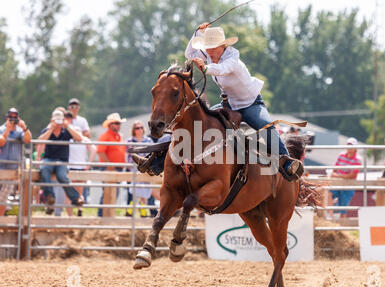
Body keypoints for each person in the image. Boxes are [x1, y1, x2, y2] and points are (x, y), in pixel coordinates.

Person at [132, 24, 303, 180]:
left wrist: (206, 68)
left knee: (266, 126)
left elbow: (223, 69)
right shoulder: (211, 55)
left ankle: (288, 163)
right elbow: (189, 54)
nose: (210, 52)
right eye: (208, 48)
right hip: (227, 105)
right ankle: (155, 163)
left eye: (213, 48)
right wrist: (197, 32)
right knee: (197, 125)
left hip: (251, 104)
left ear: (223, 46)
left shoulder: (233, 58)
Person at [38, 109, 84, 215]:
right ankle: (50, 197)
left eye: (60, 120)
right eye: (56, 120)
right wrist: (51, 128)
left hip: (62, 161)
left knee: (62, 176)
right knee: (44, 170)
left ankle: (76, 198)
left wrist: (67, 126)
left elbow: (79, 138)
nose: (58, 123)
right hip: (49, 159)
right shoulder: (47, 130)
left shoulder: (66, 131)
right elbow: (40, 140)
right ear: (52, 120)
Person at [0, 108, 32, 216]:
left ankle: (1, 222)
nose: (12, 119)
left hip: (12, 170)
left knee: (3, 199)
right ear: (6, 117)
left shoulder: (19, 131)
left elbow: (28, 139)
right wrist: (8, 130)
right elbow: (1, 142)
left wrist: (24, 127)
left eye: (14, 117)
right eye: (10, 117)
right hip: (1, 167)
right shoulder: (1, 129)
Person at [64, 111, 97, 217]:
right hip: (81, 167)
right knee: (79, 191)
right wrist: (88, 164)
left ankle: (70, 216)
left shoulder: (69, 138)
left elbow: (94, 150)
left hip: (70, 167)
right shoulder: (84, 138)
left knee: (68, 193)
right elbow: (94, 150)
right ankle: (79, 209)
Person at [126, 121, 160, 218]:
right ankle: (142, 212)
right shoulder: (130, 141)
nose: (140, 130)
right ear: (134, 130)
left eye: (141, 127)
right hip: (134, 169)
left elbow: (153, 154)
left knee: (143, 190)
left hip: (145, 168)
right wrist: (129, 167)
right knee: (136, 190)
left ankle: (131, 211)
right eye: (137, 128)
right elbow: (128, 156)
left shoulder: (148, 140)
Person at [96, 113, 127, 217]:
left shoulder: (119, 136)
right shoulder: (105, 136)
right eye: (116, 123)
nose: (118, 125)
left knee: (114, 192)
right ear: (110, 125)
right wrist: (110, 166)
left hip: (116, 168)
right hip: (109, 168)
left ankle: (108, 215)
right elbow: (100, 152)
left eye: (119, 123)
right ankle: (101, 215)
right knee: (107, 192)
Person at [328, 137, 362, 218]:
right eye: (348, 145)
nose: (349, 148)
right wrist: (336, 175)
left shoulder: (358, 159)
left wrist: (337, 175)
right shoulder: (341, 155)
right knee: (328, 194)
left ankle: (338, 225)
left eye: (351, 146)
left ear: (355, 148)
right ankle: (331, 217)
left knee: (343, 210)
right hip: (339, 182)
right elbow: (335, 169)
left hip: (348, 185)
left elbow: (352, 175)